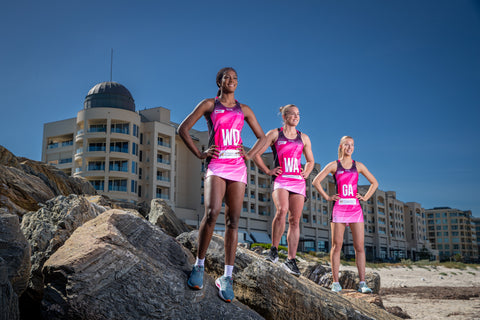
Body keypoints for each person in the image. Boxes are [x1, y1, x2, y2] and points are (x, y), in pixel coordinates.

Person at [178, 67, 266, 302]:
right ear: (219, 81)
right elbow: (183, 129)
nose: (232, 80)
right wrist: (200, 153)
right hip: (216, 165)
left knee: (233, 221)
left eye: (236, 78)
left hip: (238, 167)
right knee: (212, 211)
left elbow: (263, 137)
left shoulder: (244, 109)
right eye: (227, 77)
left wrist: (248, 155)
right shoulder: (209, 104)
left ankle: (226, 277)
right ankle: (199, 265)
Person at [312, 135, 378, 293]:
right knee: (336, 246)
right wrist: (328, 197)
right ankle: (335, 283)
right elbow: (315, 181)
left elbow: (374, 183)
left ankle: (362, 283)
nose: (350, 148)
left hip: (355, 210)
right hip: (339, 210)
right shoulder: (334, 165)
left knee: (359, 247)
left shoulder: (359, 166)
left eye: (352, 145)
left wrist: (365, 197)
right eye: (347, 145)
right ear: (341, 146)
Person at [254, 104, 314, 276]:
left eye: (298, 114)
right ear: (284, 116)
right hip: (281, 179)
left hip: (298, 181)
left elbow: (310, 161)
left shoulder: (304, 138)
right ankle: (273, 250)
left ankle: (291, 260)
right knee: (282, 210)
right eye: (292, 114)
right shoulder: (274, 134)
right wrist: (268, 171)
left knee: (294, 220)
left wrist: (306, 173)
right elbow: (257, 153)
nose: (296, 117)